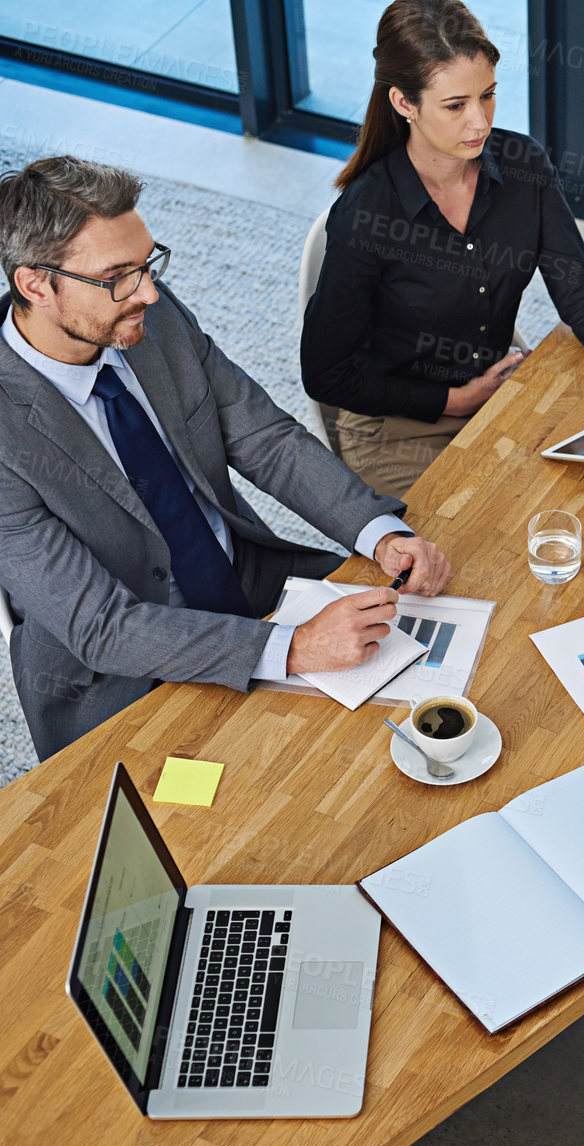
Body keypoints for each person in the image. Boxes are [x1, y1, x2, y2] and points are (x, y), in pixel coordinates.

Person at [0, 156, 452, 761]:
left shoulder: (148, 317)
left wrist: (378, 534)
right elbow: (102, 627)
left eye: (147, 264)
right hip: (119, 676)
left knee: (420, 711)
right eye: (118, 277)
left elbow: (264, 436)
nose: (149, 292)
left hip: (245, 576)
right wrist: (291, 648)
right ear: (35, 284)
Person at [301, 0, 584, 498]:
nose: (480, 122)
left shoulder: (523, 164)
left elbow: (578, 288)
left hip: (498, 392)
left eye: (488, 96)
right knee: (464, 558)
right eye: (456, 106)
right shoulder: (368, 214)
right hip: (397, 428)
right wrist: (451, 400)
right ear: (404, 103)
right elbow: (325, 375)